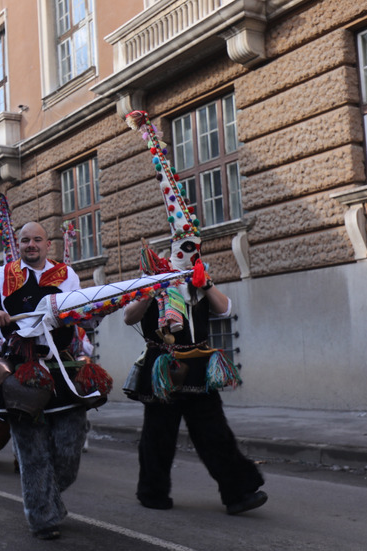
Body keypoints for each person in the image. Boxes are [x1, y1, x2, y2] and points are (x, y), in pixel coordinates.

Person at [121, 109, 267, 516]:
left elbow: (226, 310)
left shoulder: (201, 278)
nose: (187, 254)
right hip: (161, 363)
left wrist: (205, 284)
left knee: (214, 433)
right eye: (182, 248)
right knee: (158, 436)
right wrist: (154, 290)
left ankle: (238, 492)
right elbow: (130, 317)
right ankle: (152, 493)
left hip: (199, 363)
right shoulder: (152, 276)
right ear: (171, 249)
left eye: (193, 249)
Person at [0, 222, 106, 540]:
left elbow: (82, 311)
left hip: (62, 368)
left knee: (70, 445)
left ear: (46, 244)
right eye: (25, 240)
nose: (31, 245)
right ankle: (43, 518)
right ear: (18, 245)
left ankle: (48, 498)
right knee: (32, 451)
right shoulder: (2, 275)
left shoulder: (66, 275)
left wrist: (94, 312)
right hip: (21, 370)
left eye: (37, 240)